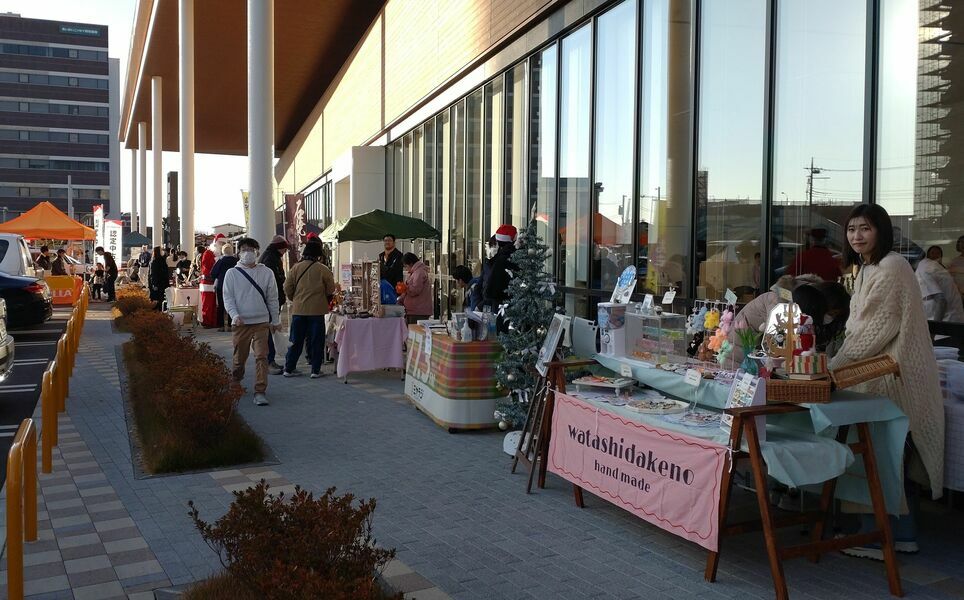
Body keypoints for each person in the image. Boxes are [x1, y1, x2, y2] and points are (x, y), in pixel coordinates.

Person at [828, 204, 944, 560]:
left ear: (881, 231)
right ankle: (892, 533)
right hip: (881, 375)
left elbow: (873, 331)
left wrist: (832, 368)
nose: (857, 236)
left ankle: (882, 537)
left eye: (865, 228)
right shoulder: (868, 267)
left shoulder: (891, 266)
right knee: (886, 455)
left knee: (884, 456)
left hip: (895, 376)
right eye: (851, 229)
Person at [221, 237, 281, 406]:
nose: (248, 253)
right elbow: (228, 298)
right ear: (238, 253)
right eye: (244, 250)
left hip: (262, 322)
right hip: (241, 323)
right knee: (239, 358)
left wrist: (275, 320)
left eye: (251, 250)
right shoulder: (232, 273)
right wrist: (234, 315)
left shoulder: (266, 272)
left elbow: (272, 298)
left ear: (257, 252)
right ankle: (235, 382)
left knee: (262, 356)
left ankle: (260, 391)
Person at [282, 241, 336, 378]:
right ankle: (315, 370)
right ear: (318, 255)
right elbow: (331, 289)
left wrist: (295, 298)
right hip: (317, 310)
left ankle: (289, 368)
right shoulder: (323, 269)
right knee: (316, 341)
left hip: (299, 310)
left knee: (295, 341)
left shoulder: (295, 268)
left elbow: (287, 287)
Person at [259, 235, 289, 374]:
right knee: (269, 331)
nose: (285, 251)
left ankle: (269, 361)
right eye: (284, 249)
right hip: (270, 301)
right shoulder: (271, 259)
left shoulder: (270, 256)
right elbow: (273, 283)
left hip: (270, 300)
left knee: (269, 331)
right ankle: (269, 362)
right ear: (279, 248)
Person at [916, 245, 964, 323]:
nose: (935, 255)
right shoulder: (932, 268)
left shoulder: (925, 268)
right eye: (933, 253)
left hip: (949, 319)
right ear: (928, 255)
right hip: (952, 318)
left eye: (938, 253)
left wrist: (935, 328)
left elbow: (941, 301)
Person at [482, 225, 518, 316]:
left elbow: (491, 286)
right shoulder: (512, 257)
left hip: (499, 301)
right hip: (509, 301)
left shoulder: (499, 259)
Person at [199, 234, 226, 328]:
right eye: (220, 243)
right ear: (216, 243)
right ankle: (207, 322)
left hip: (215, 282)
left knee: (214, 304)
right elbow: (207, 266)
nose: (222, 245)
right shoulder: (208, 253)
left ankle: (213, 322)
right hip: (207, 282)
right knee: (207, 304)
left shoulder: (219, 255)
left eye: (223, 244)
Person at [211, 243, 239, 331]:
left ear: (223, 251)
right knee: (233, 305)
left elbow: (213, 273)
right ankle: (231, 325)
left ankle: (221, 326)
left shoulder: (221, 261)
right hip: (234, 285)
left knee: (221, 306)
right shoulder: (236, 261)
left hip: (221, 285)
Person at [398, 252, 433, 324]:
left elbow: (415, 290)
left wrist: (405, 288)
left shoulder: (419, 273)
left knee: (413, 330)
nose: (406, 269)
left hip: (418, 311)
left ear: (411, 264)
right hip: (414, 310)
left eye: (406, 266)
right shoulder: (415, 272)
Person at [147, 246, 170, 311]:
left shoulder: (156, 260)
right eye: (161, 250)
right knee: (159, 300)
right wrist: (154, 284)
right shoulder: (156, 261)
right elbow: (153, 274)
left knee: (160, 299)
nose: (163, 251)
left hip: (161, 283)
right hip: (159, 283)